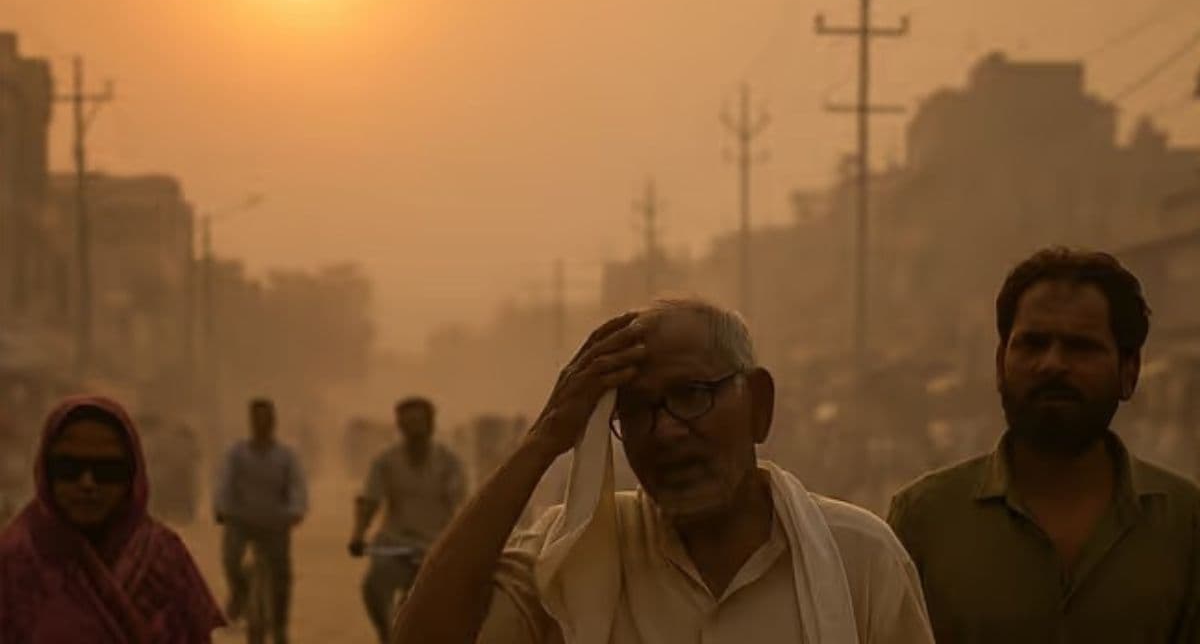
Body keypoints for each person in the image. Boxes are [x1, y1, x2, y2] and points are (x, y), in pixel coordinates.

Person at [392, 298, 934, 643]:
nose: (667, 431)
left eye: (690, 395)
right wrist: (544, 441)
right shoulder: (573, 557)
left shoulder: (859, 558)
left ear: (759, 405)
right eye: (638, 410)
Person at [887, 247, 1200, 642]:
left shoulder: (1185, 523)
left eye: (1081, 347)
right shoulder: (923, 518)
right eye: (1033, 344)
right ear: (1001, 364)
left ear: (1129, 371)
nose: (1052, 363)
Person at [0, 395, 224, 642]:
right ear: (46, 472)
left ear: (131, 476)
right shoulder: (15, 560)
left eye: (107, 471)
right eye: (69, 469)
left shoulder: (165, 559)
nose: (87, 484)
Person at [349, 397, 466, 642]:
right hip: (394, 543)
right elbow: (370, 500)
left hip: (435, 547)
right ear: (399, 427)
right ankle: (386, 635)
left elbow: (463, 505)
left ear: (430, 425)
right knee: (372, 587)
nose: (413, 430)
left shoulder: (449, 462)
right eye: (407, 424)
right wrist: (358, 534)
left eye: (419, 423)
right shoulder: (385, 461)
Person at [214, 397, 308, 644]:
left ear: (274, 421)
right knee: (231, 559)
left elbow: (298, 487)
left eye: (266, 419)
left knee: (281, 576)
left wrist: (295, 511)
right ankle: (239, 592)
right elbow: (224, 483)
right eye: (257, 419)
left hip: (275, 522)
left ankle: (280, 627)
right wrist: (222, 508)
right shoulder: (237, 453)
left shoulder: (286, 455)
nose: (262, 424)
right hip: (241, 520)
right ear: (250, 422)